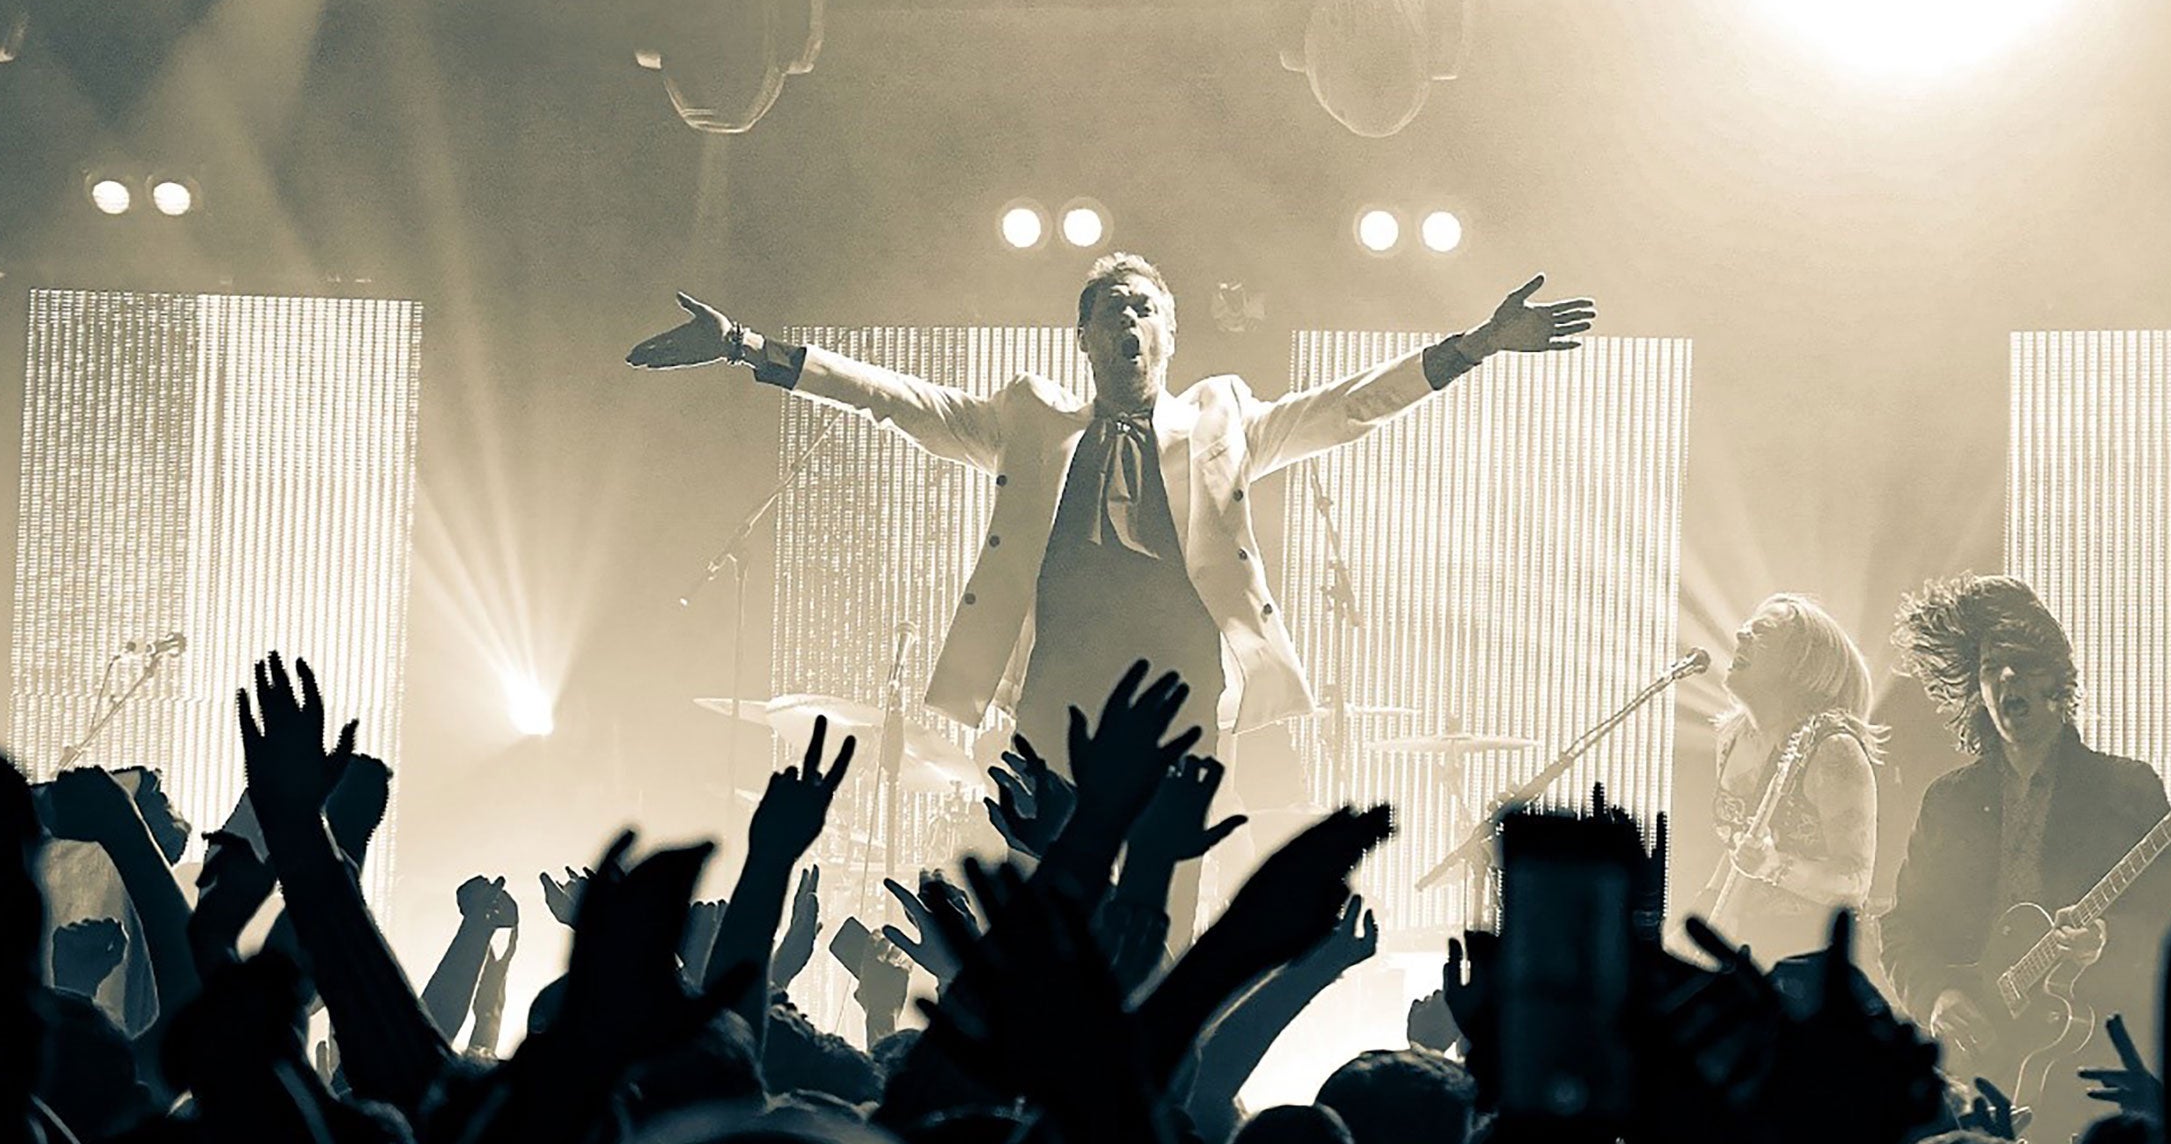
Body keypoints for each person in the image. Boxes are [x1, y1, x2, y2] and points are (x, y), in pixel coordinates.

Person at [627, 251, 1595, 772]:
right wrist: (747, 345)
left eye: (1143, 308)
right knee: (1055, 902)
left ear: (1168, 332)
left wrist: (1472, 346)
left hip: (1179, 682)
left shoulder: (1222, 419)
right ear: (1083, 336)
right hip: (1059, 682)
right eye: (1111, 310)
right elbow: (897, 397)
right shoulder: (1029, 420)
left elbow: (1349, 405)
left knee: (1163, 896)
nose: (1128, 320)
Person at [1878, 574, 2171, 1144]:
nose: (2007, 679)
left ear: (2058, 680)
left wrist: (2105, 944)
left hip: (2092, 1069)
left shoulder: (2124, 788)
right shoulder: (1948, 800)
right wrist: (1937, 995)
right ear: (1976, 690)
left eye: (2023, 664)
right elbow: (1903, 927)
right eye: (1991, 668)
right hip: (1972, 1066)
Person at [1687, 593, 1883, 962]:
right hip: (1747, 946)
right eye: (1747, 627)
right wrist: (1703, 915)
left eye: (1762, 632)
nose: (1741, 634)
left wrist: (1775, 867)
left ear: (1801, 662)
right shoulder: (1733, 736)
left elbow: (1855, 883)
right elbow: (1741, 849)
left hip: (1815, 953)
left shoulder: (1834, 751)